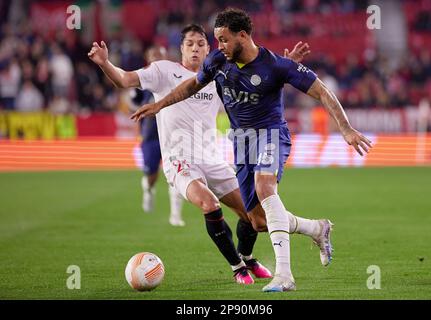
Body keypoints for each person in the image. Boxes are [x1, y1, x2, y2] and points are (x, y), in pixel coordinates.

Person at [130, 9, 372, 292]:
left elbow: (322, 92)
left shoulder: (276, 65)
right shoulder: (219, 61)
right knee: (257, 221)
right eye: (217, 40)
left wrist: (345, 128)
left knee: (265, 187)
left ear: (242, 36)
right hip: (241, 142)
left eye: (223, 39)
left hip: (270, 133)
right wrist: (160, 104)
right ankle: (316, 229)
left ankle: (285, 276)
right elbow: (192, 86)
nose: (218, 46)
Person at [89, 24, 309, 285]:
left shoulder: (219, 76)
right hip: (179, 161)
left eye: (201, 44)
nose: (195, 48)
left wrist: (285, 69)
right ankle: (237, 266)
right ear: (181, 48)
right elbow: (123, 80)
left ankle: (248, 257)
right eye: (190, 43)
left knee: (254, 215)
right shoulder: (162, 70)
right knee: (209, 204)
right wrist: (105, 63)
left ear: (209, 48)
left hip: (212, 158)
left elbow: (259, 88)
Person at [129, 46, 185, 226]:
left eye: (160, 55)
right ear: (148, 58)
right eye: (153, 55)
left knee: (179, 173)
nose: (157, 58)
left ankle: (175, 216)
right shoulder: (143, 81)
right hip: (152, 135)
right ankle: (148, 189)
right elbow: (130, 99)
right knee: (152, 173)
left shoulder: (175, 77)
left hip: (174, 135)